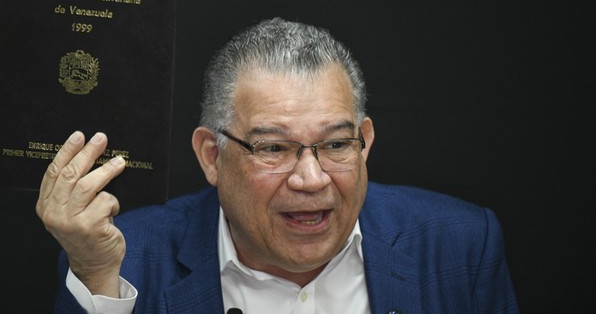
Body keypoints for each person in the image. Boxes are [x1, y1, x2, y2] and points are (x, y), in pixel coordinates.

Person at [37, 17, 520, 313]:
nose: (311, 180)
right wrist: (97, 277)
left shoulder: (461, 246)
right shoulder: (123, 263)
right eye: (273, 149)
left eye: (335, 145)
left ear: (365, 143)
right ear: (211, 155)